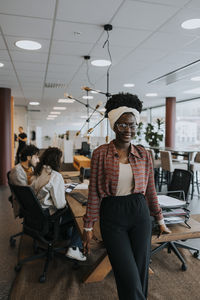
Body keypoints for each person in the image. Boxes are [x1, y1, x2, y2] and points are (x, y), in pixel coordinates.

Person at [83, 93, 171, 300]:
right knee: (127, 275)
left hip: (139, 213)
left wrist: (160, 218)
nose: (128, 130)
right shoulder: (100, 153)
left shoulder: (143, 154)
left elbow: (150, 190)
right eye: (122, 125)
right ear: (114, 125)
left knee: (140, 275)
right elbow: (94, 192)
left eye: (132, 125)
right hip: (112, 215)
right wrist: (88, 227)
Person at [31, 147, 86, 262]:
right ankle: (74, 247)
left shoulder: (38, 171)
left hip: (38, 215)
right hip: (49, 217)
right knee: (82, 215)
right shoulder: (55, 176)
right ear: (56, 160)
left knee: (69, 209)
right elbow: (60, 205)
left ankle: (67, 235)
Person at [9, 144, 40, 217]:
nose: (38, 160)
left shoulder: (31, 168)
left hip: (32, 199)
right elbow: (26, 194)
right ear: (29, 157)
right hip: (26, 204)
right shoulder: (16, 171)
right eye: (36, 157)